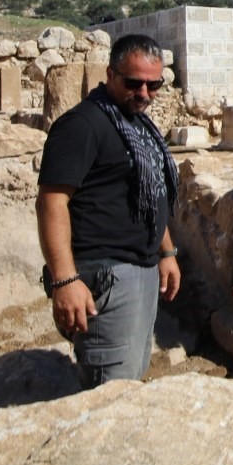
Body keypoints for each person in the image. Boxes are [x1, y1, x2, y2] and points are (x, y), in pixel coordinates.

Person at [36, 33, 181, 388]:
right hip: (108, 274)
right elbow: (51, 202)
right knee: (111, 386)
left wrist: (167, 251)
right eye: (133, 83)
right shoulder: (82, 125)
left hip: (142, 268)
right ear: (110, 75)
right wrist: (65, 280)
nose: (144, 93)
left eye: (154, 85)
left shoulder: (137, 124)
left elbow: (150, 193)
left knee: (132, 371)